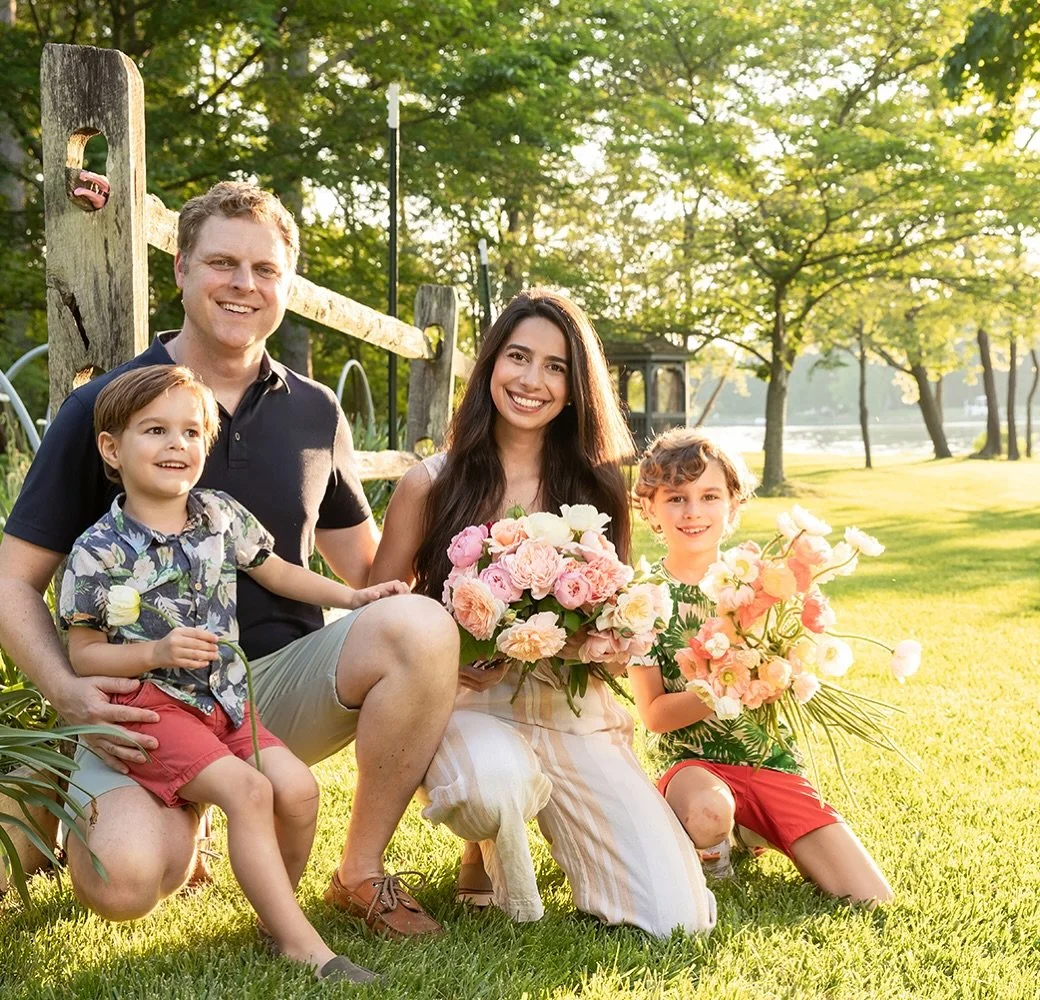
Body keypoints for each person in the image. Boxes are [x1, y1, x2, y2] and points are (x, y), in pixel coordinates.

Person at [0, 179, 459, 938]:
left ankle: (361, 873)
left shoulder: (316, 410)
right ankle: (94, 784)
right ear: (181, 269)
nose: (244, 283)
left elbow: (369, 573)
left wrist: (478, 608)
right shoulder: (109, 407)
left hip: (266, 690)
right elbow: (13, 582)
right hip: (146, 697)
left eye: (265, 269)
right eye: (222, 263)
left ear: (287, 284)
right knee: (124, 882)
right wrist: (67, 691)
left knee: (420, 625)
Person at [369, 288, 717, 936]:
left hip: (570, 710)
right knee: (492, 788)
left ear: (575, 387)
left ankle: (580, 825)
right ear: (491, 363)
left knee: (678, 920)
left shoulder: (597, 486)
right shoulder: (432, 483)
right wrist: (442, 657)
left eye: (555, 366)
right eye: (518, 357)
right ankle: (485, 844)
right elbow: (378, 618)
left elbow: (611, 614)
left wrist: (604, 640)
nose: (532, 380)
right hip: (468, 706)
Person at [63, 365, 411, 982]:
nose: (177, 444)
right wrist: (153, 652)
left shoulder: (219, 514)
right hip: (152, 707)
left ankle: (274, 924)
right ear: (112, 449)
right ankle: (306, 947)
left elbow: (278, 572)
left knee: (298, 791)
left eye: (191, 432)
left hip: (225, 701)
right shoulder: (98, 550)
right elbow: (84, 655)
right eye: (155, 431)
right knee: (249, 792)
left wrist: (352, 597)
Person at [629, 428, 893, 904]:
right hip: (692, 768)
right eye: (675, 498)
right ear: (649, 507)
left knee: (869, 895)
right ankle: (713, 853)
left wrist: (787, 669)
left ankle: (752, 826)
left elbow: (791, 666)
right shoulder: (643, 598)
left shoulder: (764, 582)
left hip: (768, 761)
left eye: (710, 496)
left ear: (733, 505)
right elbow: (653, 715)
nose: (693, 511)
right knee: (709, 810)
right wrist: (722, 688)